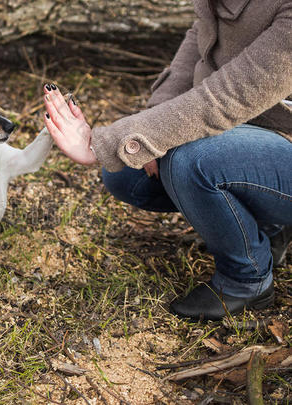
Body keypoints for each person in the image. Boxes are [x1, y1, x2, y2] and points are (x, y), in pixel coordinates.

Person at [42, 0, 292, 321]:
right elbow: (195, 50)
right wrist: (150, 130)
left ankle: (247, 278)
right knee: (127, 176)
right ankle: (269, 225)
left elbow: (228, 95)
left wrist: (119, 140)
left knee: (190, 161)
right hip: (249, 135)